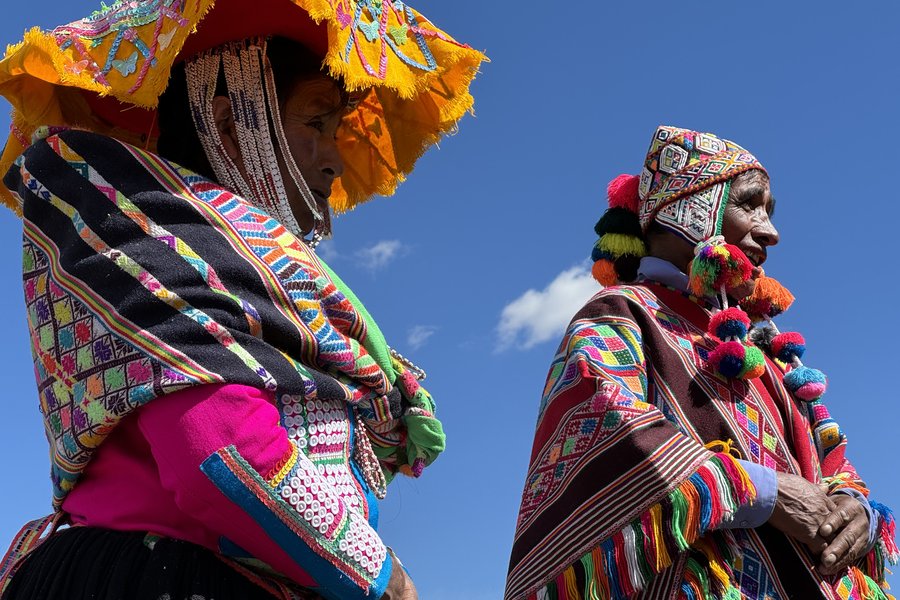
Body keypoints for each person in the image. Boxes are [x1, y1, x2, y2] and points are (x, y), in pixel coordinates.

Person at [0, 1, 485, 599]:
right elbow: (216, 449)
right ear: (233, 123)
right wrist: (385, 580)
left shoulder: (244, 277)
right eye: (317, 123)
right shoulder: (148, 241)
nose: (334, 159)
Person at [505, 126, 898, 600]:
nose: (770, 232)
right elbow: (604, 424)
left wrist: (854, 508)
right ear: (690, 208)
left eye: (768, 212)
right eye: (749, 205)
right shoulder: (624, 314)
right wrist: (765, 493)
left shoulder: (768, 354)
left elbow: (831, 464)